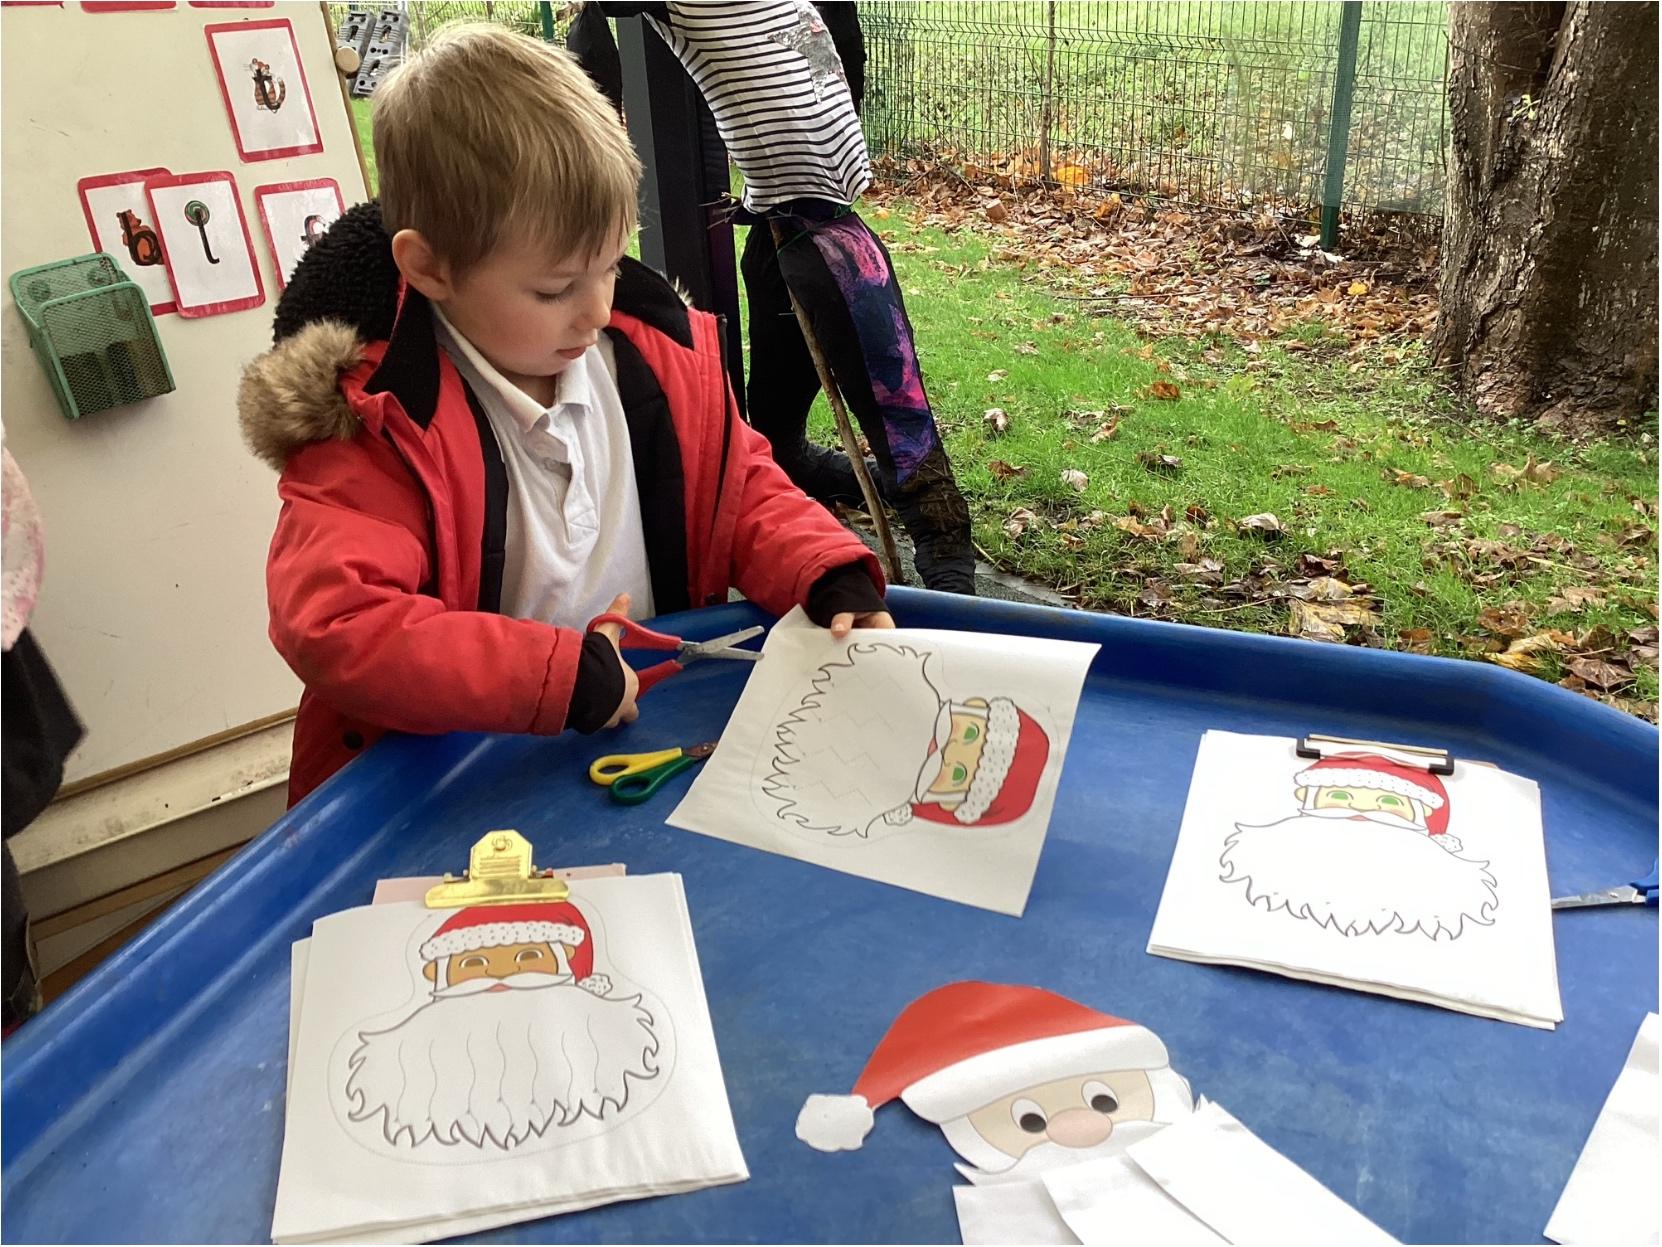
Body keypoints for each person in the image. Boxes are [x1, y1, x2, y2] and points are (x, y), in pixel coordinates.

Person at [237, 23, 890, 808]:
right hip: (455, 789)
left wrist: (825, 567)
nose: (597, 311)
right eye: (554, 289)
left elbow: (737, 485)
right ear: (431, 267)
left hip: (645, 743)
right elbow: (338, 622)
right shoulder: (378, 424)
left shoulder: (651, 358)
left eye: (611, 266)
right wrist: (551, 675)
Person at [569, 1, 978, 594]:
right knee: (878, 364)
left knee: (789, 353)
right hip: (816, 230)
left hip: (797, 216)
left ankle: (790, 458)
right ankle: (942, 533)